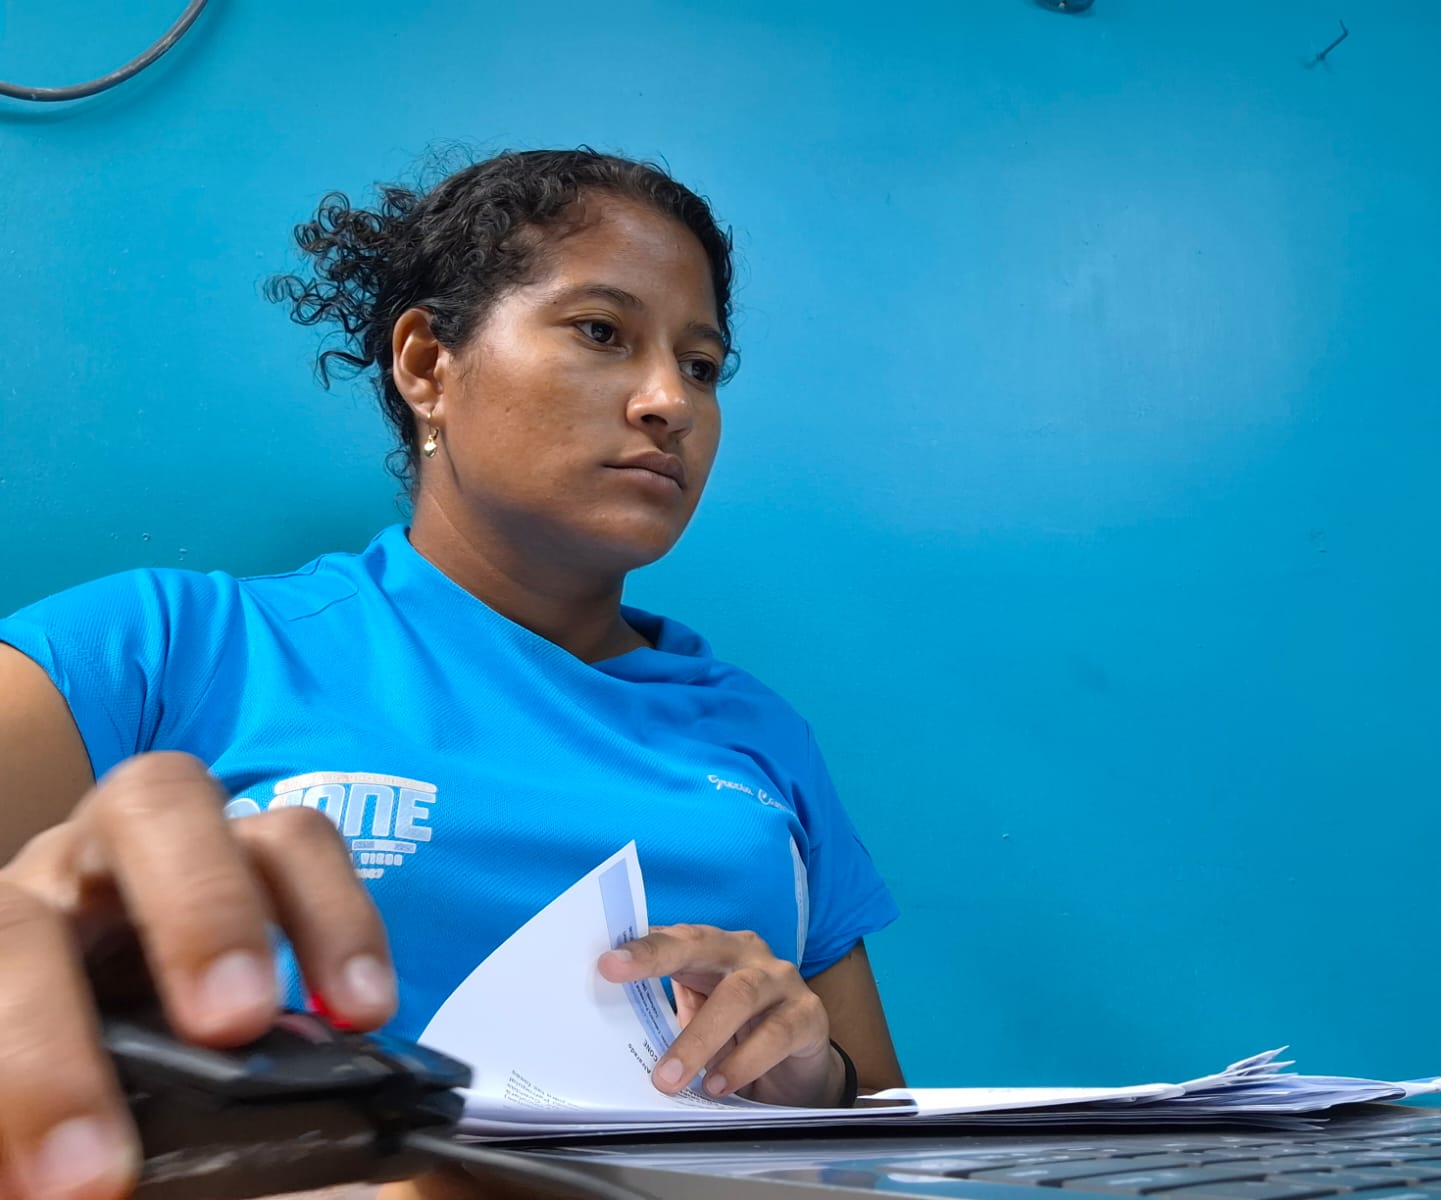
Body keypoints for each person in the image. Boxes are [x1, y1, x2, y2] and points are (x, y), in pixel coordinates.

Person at [0, 149, 903, 1200]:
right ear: (428, 363)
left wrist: (816, 1078)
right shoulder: (161, 649)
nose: (670, 401)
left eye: (701, 365)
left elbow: (888, 1145)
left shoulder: (760, 738)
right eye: (601, 332)